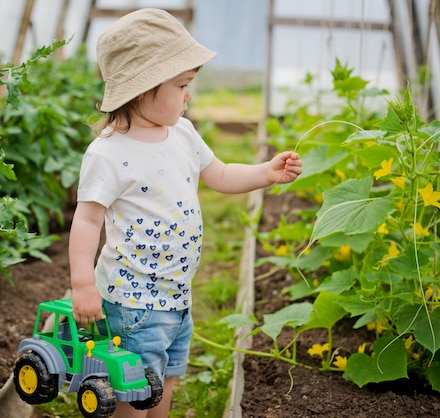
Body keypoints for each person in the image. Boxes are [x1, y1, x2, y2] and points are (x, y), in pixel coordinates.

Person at [68, 8, 302, 417]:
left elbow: (222, 174)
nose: (189, 95)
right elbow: (87, 221)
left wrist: (267, 173)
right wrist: (83, 285)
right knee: (132, 383)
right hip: (133, 301)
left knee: (167, 374)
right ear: (142, 90)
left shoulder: (184, 133)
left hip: (177, 293)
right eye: (181, 85)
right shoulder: (108, 154)